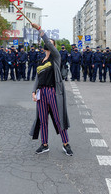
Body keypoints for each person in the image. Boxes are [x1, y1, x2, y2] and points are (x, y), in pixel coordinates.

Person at [29, 23, 72, 156]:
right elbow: (38, 78)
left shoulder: (56, 58)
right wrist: (33, 91)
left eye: (52, 43)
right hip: (41, 93)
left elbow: (48, 41)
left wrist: (39, 29)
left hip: (53, 92)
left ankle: (66, 144)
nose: (50, 44)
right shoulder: (41, 61)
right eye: (49, 43)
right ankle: (45, 144)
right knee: (42, 120)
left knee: (59, 118)